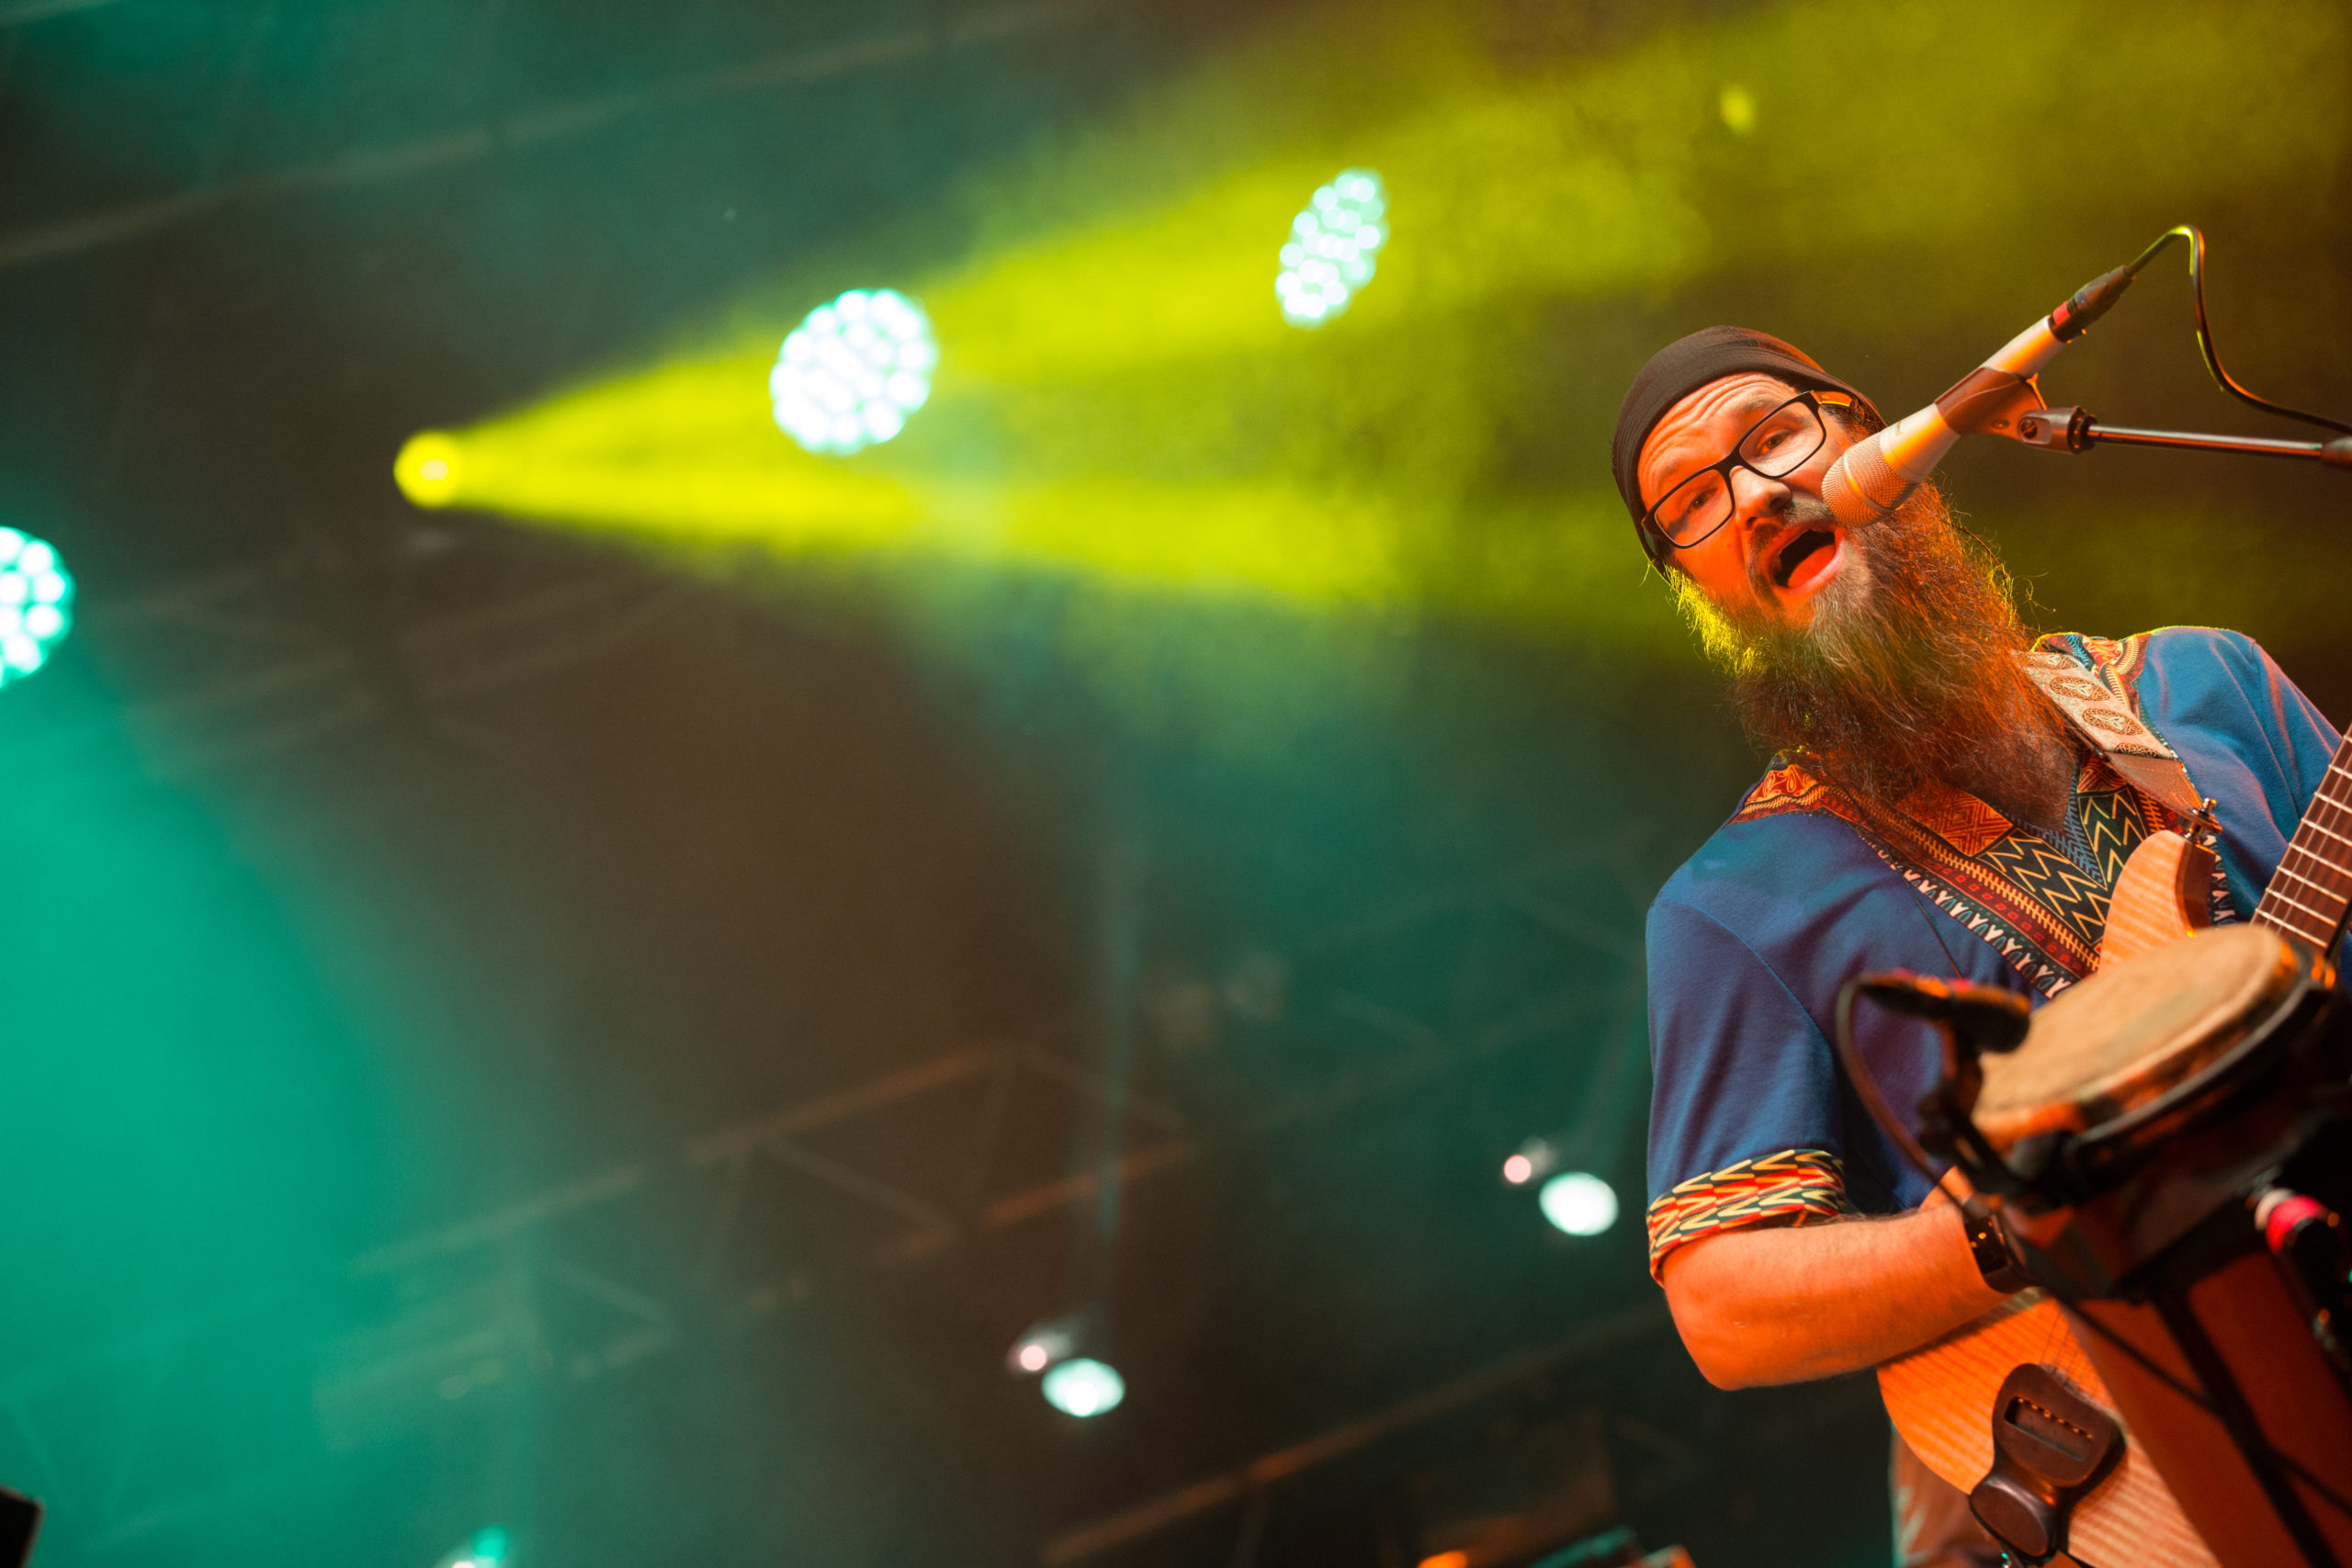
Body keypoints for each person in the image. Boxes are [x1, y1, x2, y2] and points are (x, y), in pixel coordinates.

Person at [1615, 327, 2345, 1566]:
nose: (1753, 499)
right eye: (1691, 503)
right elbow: (1724, 1310)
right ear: (1698, 594)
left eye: (1775, 437)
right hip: (2167, 1457)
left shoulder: (2205, 683)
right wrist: (2017, 1230)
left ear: (1884, 443)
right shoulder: (1733, 906)